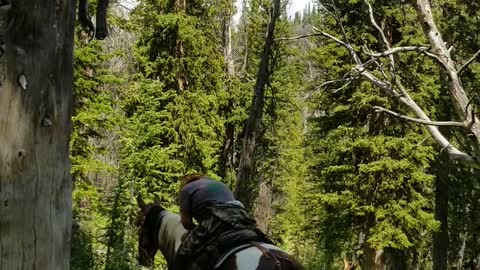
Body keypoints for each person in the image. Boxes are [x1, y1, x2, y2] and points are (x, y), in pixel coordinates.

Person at [172, 174, 272, 270]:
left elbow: (186, 223)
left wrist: (197, 232)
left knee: (182, 254)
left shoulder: (186, 189)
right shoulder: (219, 184)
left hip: (215, 218)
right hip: (242, 216)